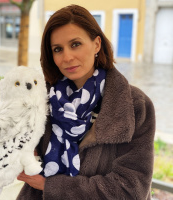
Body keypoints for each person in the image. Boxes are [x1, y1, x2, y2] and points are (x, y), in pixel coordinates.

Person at [16, 4, 155, 200]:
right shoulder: (41, 98)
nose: (67, 57)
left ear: (96, 44)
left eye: (75, 44)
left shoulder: (135, 106)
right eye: (58, 49)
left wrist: (51, 186)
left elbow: (130, 189)